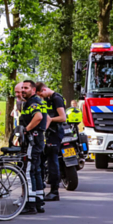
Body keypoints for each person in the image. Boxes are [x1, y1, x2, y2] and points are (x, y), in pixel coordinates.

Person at [19, 80, 46, 214]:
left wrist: (26, 130)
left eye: (26, 88)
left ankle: (30, 204)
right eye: (22, 88)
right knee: (36, 170)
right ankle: (39, 201)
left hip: (32, 140)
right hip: (38, 139)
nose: (23, 90)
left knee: (29, 171)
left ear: (33, 90)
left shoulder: (32, 102)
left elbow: (38, 117)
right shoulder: (38, 101)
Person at [37, 82, 67, 201]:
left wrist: (50, 119)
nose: (41, 97)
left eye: (41, 94)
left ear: (44, 89)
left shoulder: (56, 98)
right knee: (44, 159)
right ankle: (42, 187)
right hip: (50, 133)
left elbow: (63, 117)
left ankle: (55, 192)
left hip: (56, 133)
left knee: (52, 162)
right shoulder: (49, 99)